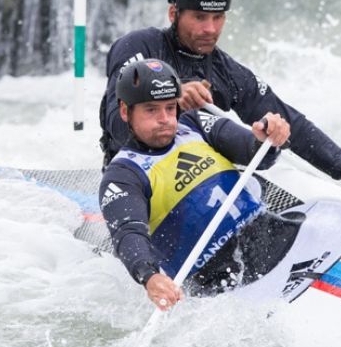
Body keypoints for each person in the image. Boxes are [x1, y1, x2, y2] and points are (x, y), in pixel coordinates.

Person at [99, 0, 341, 207]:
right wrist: (170, 94)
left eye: (218, 17)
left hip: (196, 185)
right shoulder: (138, 46)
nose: (210, 29)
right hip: (136, 182)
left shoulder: (227, 72)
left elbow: (292, 124)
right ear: (174, 14)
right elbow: (116, 120)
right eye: (199, 17)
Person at [99, 58, 293, 310]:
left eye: (170, 107)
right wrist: (150, 276)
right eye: (151, 110)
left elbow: (256, 153)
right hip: (220, 285)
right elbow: (128, 234)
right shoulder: (122, 175)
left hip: (274, 238)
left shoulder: (194, 124)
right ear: (125, 111)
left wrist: (267, 137)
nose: (165, 119)